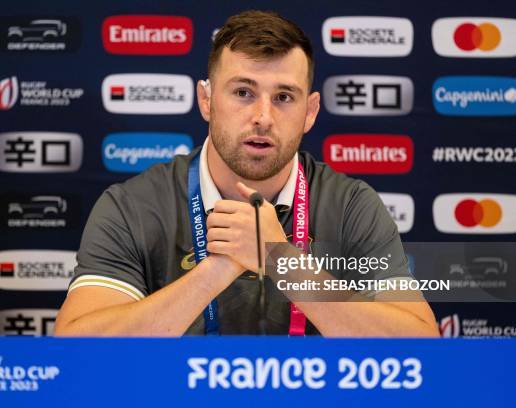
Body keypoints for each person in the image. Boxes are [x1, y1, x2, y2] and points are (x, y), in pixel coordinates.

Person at [54, 10, 439, 337]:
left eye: (284, 97)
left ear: (310, 111)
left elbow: (421, 342)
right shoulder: (134, 206)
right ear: (206, 100)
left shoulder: (351, 204)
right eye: (243, 92)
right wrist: (214, 272)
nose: (263, 117)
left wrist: (284, 262)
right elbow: (77, 349)